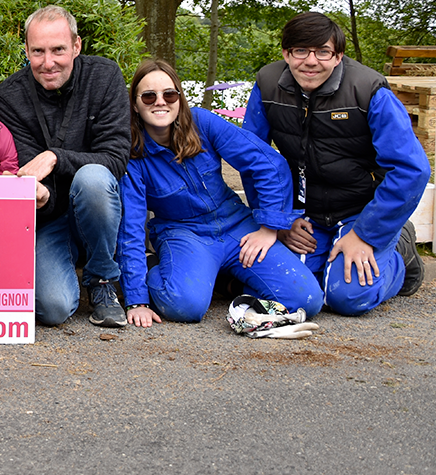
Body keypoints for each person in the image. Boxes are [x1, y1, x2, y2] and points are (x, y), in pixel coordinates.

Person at [243, 12, 429, 315]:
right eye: (300, 51)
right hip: (305, 213)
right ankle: (333, 249)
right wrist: (278, 221)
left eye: (323, 52)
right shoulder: (267, 84)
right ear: (286, 53)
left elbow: (412, 170)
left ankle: (400, 252)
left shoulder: (369, 90)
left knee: (348, 297)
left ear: (338, 55)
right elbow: (253, 159)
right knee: (291, 289)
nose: (311, 61)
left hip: (362, 211)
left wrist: (365, 234)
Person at [119, 60, 322, 328]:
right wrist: (137, 299)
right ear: (135, 104)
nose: (160, 102)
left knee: (305, 299)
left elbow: (269, 163)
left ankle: (229, 283)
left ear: (179, 98)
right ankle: (157, 266)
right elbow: (131, 226)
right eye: (148, 96)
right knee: (184, 306)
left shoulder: (203, 122)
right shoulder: (132, 154)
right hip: (184, 234)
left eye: (169, 94)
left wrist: (269, 228)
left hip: (237, 226)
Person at [0, 5, 130, 328]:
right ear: (26, 50)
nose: (47, 62)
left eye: (58, 50)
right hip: (49, 214)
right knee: (52, 309)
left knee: (93, 178)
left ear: (77, 46)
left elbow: (115, 159)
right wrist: (38, 195)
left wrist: (55, 156)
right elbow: (30, 170)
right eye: (37, 52)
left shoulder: (105, 77)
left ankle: (102, 282)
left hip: (97, 205)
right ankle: (69, 266)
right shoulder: (9, 96)